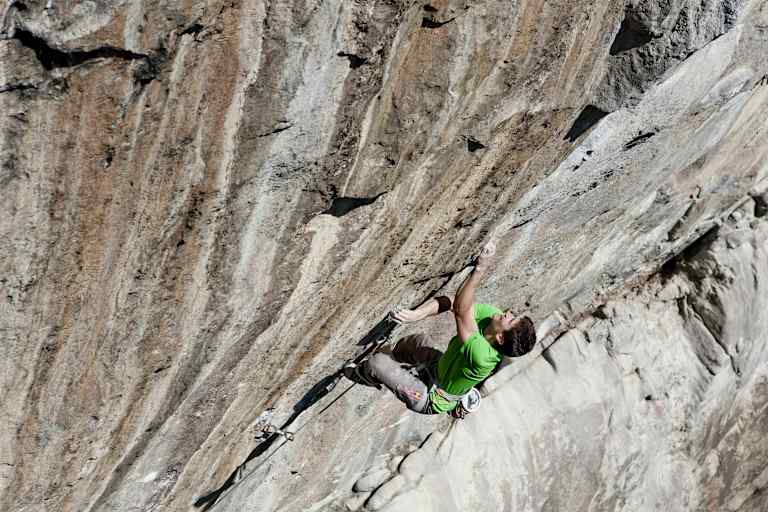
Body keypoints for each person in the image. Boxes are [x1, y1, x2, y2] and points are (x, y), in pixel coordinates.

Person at [346, 241, 537, 417]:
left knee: (377, 363)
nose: (508, 313)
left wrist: (480, 269)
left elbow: (461, 312)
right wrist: (417, 314)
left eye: (511, 319)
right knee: (417, 341)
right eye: (513, 314)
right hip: (437, 367)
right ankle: (391, 362)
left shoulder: (484, 358)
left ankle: (364, 374)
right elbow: (455, 302)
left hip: (431, 398)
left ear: (500, 338)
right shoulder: (493, 317)